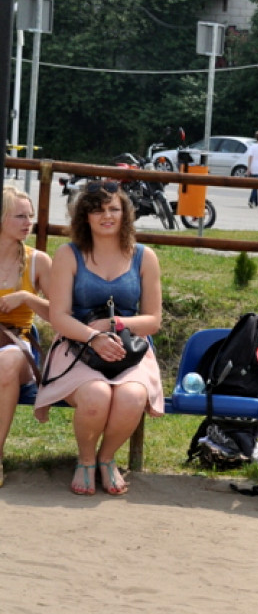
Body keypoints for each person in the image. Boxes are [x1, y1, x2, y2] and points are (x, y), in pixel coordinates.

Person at [34, 181, 164, 496]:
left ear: (125, 214)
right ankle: (86, 460)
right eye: (97, 210)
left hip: (129, 348)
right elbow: (59, 316)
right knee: (96, 396)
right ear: (85, 217)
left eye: (113, 209)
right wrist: (94, 336)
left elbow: (153, 321)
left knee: (131, 398)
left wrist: (114, 324)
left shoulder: (145, 257)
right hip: (77, 345)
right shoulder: (68, 254)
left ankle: (107, 459)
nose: (106, 216)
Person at [0, 186, 52, 486]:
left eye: (30, 216)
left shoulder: (37, 261)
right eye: (20, 216)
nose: (28, 222)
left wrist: (27, 298)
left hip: (15, 343)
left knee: (6, 363)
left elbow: (61, 314)